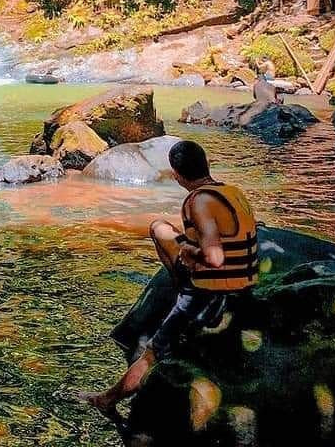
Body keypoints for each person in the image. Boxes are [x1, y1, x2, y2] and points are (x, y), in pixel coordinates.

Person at [80, 139, 258, 418]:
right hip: (246, 283)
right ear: (206, 164)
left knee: (152, 352)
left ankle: (107, 400)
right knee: (159, 227)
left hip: (210, 293)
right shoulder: (232, 191)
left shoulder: (198, 201)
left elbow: (215, 258)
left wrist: (189, 250)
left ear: (176, 174)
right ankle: (183, 282)